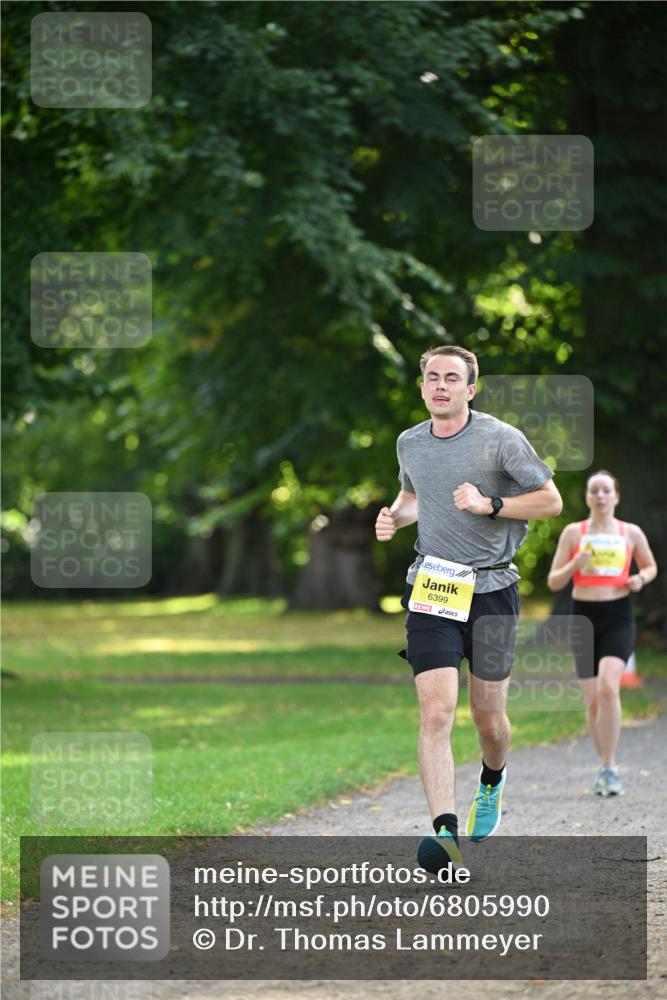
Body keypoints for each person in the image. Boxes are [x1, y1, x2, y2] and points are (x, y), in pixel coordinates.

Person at [376, 346, 562, 872]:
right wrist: (393, 517)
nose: (440, 385)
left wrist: (490, 505)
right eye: (432, 377)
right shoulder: (410, 442)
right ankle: (445, 834)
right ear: (421, 387)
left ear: (470, 389)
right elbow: (414, 496)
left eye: (451, 378)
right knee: (436, 711)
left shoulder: (500, 439)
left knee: (488, 718)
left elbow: (551, 501)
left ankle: (493, 780)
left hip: (492, 588)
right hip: (433, 584)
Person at [547, 470, 657, 796]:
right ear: (587, 497)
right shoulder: (573, 533)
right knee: (593, 701)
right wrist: (573, 565)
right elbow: (554, 581)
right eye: (594, 491)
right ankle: (604, 766)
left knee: (609, 686)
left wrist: (640, 579)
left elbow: (650, 566)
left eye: (606, 490)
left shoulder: (630, 532)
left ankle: (610, 767)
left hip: (618, 617)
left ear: (616, 496)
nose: (600, 496)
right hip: (583, 618)